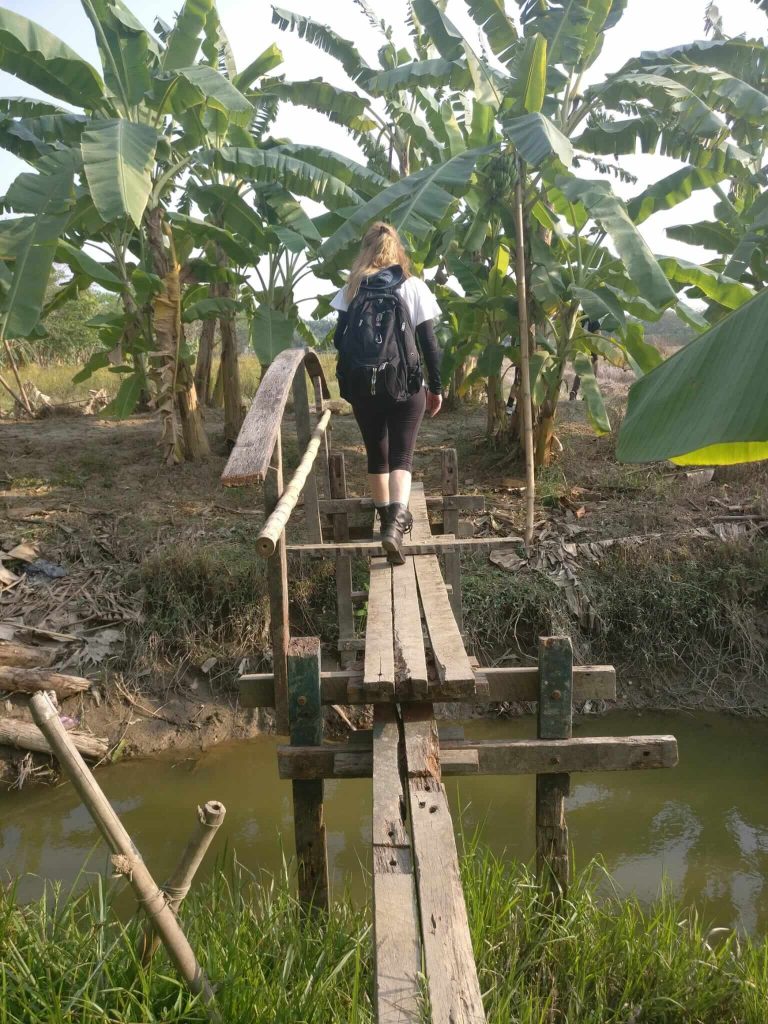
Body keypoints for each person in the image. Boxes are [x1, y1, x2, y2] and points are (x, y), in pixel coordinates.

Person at [331, 222, 443, 564]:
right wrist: (435, 388)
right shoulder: (413, 286)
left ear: (365, 250)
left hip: (364, 388)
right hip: (405, 385)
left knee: (376, 456)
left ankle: (385, 526)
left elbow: (339, 340)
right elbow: (429, 344)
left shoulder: (352, 288)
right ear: (397, 251)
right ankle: (396, 527)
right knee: (402, 457)